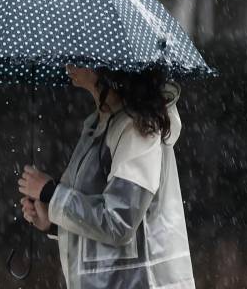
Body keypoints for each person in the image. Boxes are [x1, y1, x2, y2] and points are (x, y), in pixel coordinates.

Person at [17, 64, 196, 288]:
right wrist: (52, 221)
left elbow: (118, 222)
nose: (67, 63)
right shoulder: (99, 124)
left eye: (78, 54)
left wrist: (51, 194)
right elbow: (99, 217)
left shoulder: (137, 130)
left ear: (106, 69)